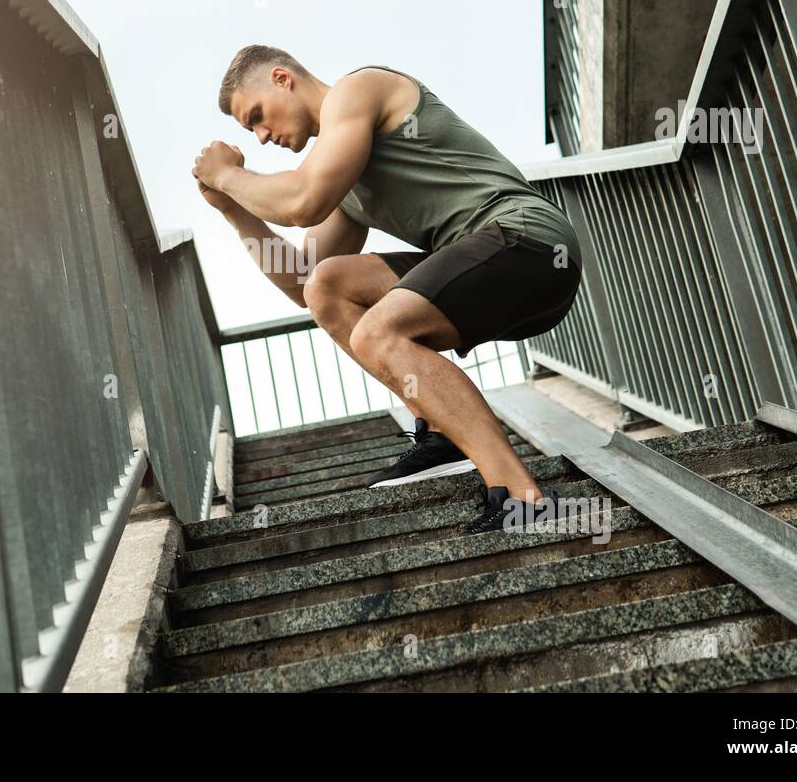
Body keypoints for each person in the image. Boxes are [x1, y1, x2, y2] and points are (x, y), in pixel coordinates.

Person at [194, 45, 582, 533]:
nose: (262, 136)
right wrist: (233, 207)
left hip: (527, 239)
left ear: (282, 78)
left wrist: (230, 175)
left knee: (377, 333)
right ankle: (441, 435)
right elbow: (302, 280)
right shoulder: (344, 179)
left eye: (257, 117)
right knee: (329, 287)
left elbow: (303, 201)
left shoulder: (359, 91)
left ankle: (524, 499)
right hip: (486, 263)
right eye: (250, 131)